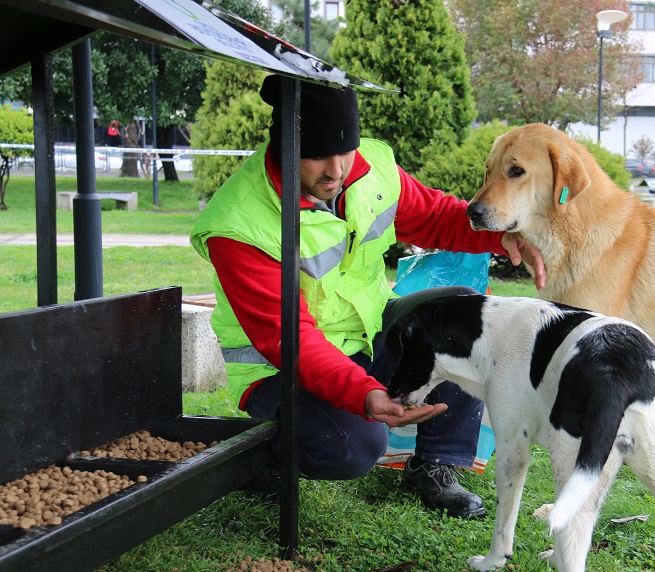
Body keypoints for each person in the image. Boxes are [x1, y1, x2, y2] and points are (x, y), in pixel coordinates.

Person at [189, 76, 545, 519]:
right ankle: (254, 459)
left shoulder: (371, 166)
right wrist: (363, 393)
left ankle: (435, 464)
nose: (336, 170)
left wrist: (502, 236)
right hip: (279, 369)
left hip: (368, 334)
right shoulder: (239, 224)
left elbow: (435, 217)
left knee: (469, 314)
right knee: (352, 444)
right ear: (283, 146)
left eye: (345, 150)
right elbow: (290, 339)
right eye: (317, 155)